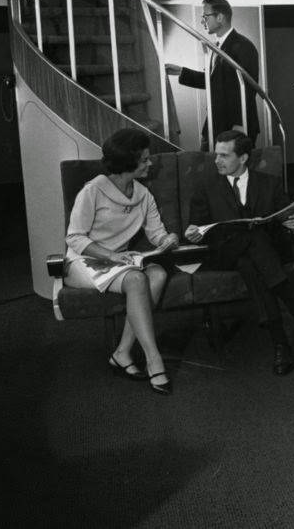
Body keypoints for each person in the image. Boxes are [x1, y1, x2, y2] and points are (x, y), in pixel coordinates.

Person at [184, 130, 294, 376]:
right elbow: (198, 226)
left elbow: (288, 214)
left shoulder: (269, 183)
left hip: (260, 254)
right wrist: (193, 232)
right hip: (224, 253)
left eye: (224, 156)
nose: (217, 161)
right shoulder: (206, 186)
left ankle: (280, 343)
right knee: (253, 239)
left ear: (243, 158)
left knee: (249, 260)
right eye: (216, 155)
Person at [64, 129, 179, 395]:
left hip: (120, 262)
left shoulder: (143, 194)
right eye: (145, 159)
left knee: (158, 274)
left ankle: (122, 353)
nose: (150, 163)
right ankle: (154, 360)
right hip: (83, 262)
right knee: (137, 279)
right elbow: (74, 238)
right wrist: (110, 255)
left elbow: (156, 233)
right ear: (128, 162)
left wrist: (168, 239)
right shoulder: (93, 190)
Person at [165, 0, 261, 149]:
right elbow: (213, 81)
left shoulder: (243, 46)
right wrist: (181, 71)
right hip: (217, 123)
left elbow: (247, 89)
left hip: (234, 126)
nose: (202, 21)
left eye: (205, 16)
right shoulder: (217, 47)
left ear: (220, 17)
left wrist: (239, 124)